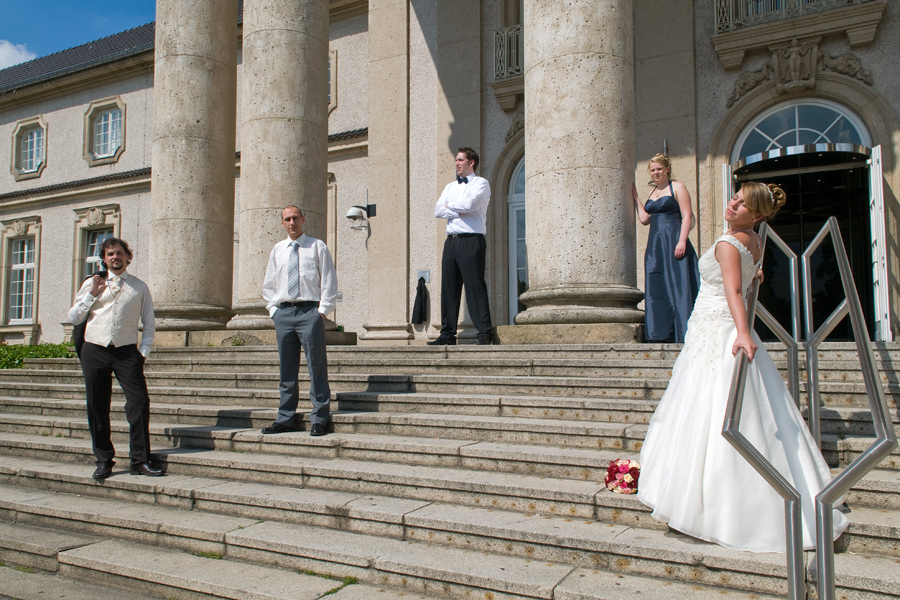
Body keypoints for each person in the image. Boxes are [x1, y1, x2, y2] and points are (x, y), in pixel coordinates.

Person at [637, 182, 849, 553]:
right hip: (709, 326)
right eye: (734, 199)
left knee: (711, 403)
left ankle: (713, 505)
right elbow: (751, 284)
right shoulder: (753, 240)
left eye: (742, 205)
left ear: (759, 215)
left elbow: (735, 292)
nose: (733, 206)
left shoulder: (728, 243)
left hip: (718, 327)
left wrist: (741, 332)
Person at [68, 238, 162, 480]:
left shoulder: (139, 287)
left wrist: (144, 352)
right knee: (97, 406)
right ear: (104, 258)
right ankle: (103, 460)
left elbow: (149, 324)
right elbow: (75, 317)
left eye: (119, 253)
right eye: (110, 254)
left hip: (127, 352)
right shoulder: (92, 282)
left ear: (128, 257)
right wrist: (91, 294)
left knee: (139, 403)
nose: (115, 257)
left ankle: (140, 460)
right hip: (95, 348)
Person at [262, 205, 337, 436]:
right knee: (287, 369)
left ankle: (319, 418)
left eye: (295, 218)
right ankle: (285, 418)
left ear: (303, 219)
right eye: (287, 219)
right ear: (282, 223)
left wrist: (322, 311)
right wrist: (273, 310)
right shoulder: (278, 250)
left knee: (316, 367)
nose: (292, 222)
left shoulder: (317, 246)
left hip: (309, 313)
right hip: (284, 313)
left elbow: (329, 281)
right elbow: (269, 284)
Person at [632, 154, 700, 343]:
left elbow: (687, 216)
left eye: (659, 169)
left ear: (667, 169)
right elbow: (645, 219)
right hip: (655, 243)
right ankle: (660, 333)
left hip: (674, 239)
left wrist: (682, 240)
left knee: (678, 283)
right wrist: (636, 198)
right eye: (653, 170)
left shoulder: (677, 187)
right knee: (657, 284)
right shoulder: (652, 193)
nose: (656, 173)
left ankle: (684, 331)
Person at [430, 147, 493, 346]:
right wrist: (455, 209)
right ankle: (447, 334)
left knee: (475, 288)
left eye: (460, 160)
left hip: (471, 240)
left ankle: (484, 332)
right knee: (449, 289)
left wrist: (451, 207)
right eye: (456, 160)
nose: (456, 163)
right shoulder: (450, 186)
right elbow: (438, 211)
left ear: (471, 162)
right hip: (452, 242)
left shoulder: (481, 183)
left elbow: (469, 205)